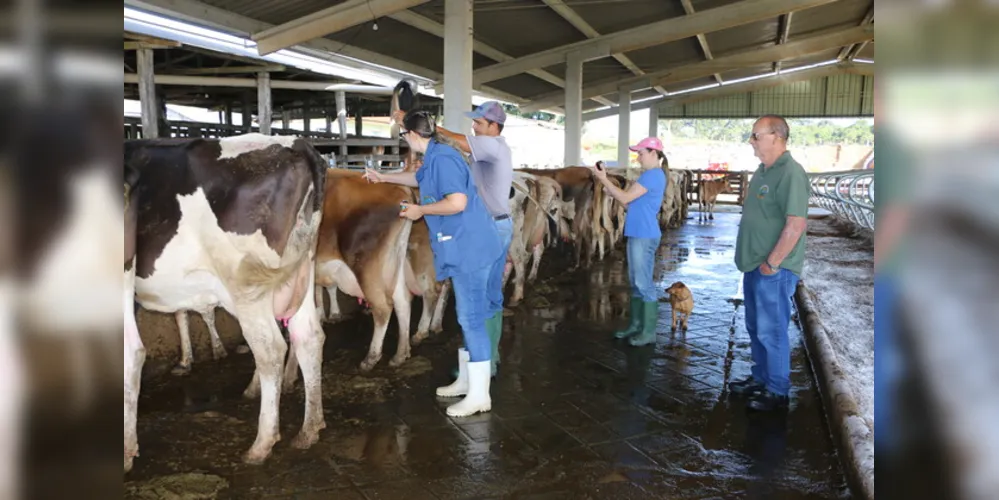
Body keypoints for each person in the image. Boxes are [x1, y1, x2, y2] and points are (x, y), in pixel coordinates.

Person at [364, 110, 503, 418]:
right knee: (467, 317)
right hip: (467, 244)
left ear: (413, 135)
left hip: (470, 248)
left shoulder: (443, 158)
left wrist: (419, 210)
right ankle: (466, 381)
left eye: (403, 135)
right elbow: (418, 177)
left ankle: (480, 395)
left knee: (472, 319)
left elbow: (457, 203)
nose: (404, 140)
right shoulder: (437, 153)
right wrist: (384, 177)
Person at [393, 101, 513, 378]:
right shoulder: (476, 154)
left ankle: (483, 365)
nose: (474, 127)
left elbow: (457, 196)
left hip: (489, 227)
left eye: (479, 123)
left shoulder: (493, 146)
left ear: (494, 127)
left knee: (476, 307)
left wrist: (424, 127)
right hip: (491, 224)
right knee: (486, 301)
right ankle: (484, 361)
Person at [730, 115, 810, 412]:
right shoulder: (763, 171)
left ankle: (776, 391)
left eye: (755, 135)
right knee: (754, 326)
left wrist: (772, 264)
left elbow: (795, 224)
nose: (751, 141)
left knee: (771, 329)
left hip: (773, 269)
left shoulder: (790, 173)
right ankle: (760, 378)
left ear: (776, 136)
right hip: (754, 264)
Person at [591, 137, 668, 347]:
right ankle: (636, 325)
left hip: (644, 234)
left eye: (641, 153)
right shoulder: (649, 176)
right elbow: (629, 205)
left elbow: (625, 199)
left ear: (654, 153)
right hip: (638, 232)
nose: (638, 157)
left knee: (643, 283)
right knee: (636, 282)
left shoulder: (652, 176)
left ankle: (648, 332)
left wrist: (603, 178)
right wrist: (613, 192)